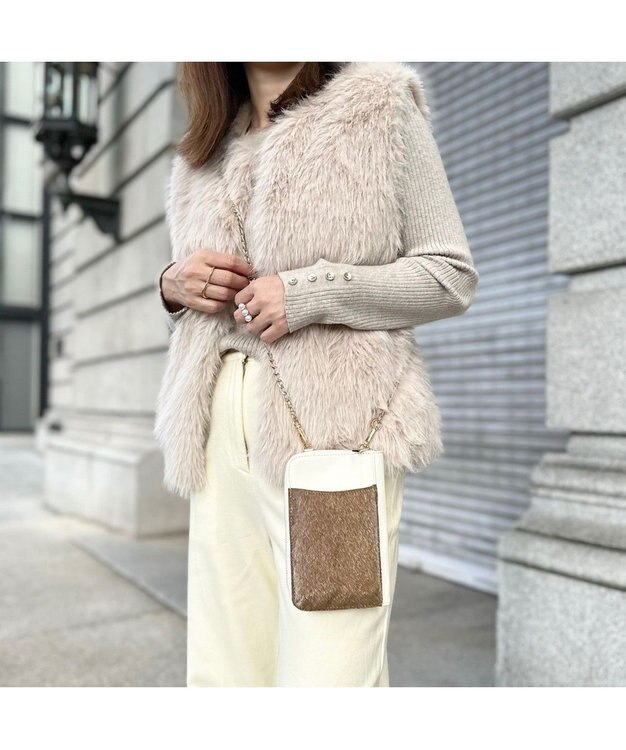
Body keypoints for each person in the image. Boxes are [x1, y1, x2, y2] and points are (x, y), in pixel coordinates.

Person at [155, 61, 479, 687]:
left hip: (332, 437)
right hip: (216, 438)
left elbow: (449, 275)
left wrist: (310, 293)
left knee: (333, 675)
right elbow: (193, 312)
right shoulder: (200, 155)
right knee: (227, 675)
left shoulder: (378, 106)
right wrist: (172, 285)